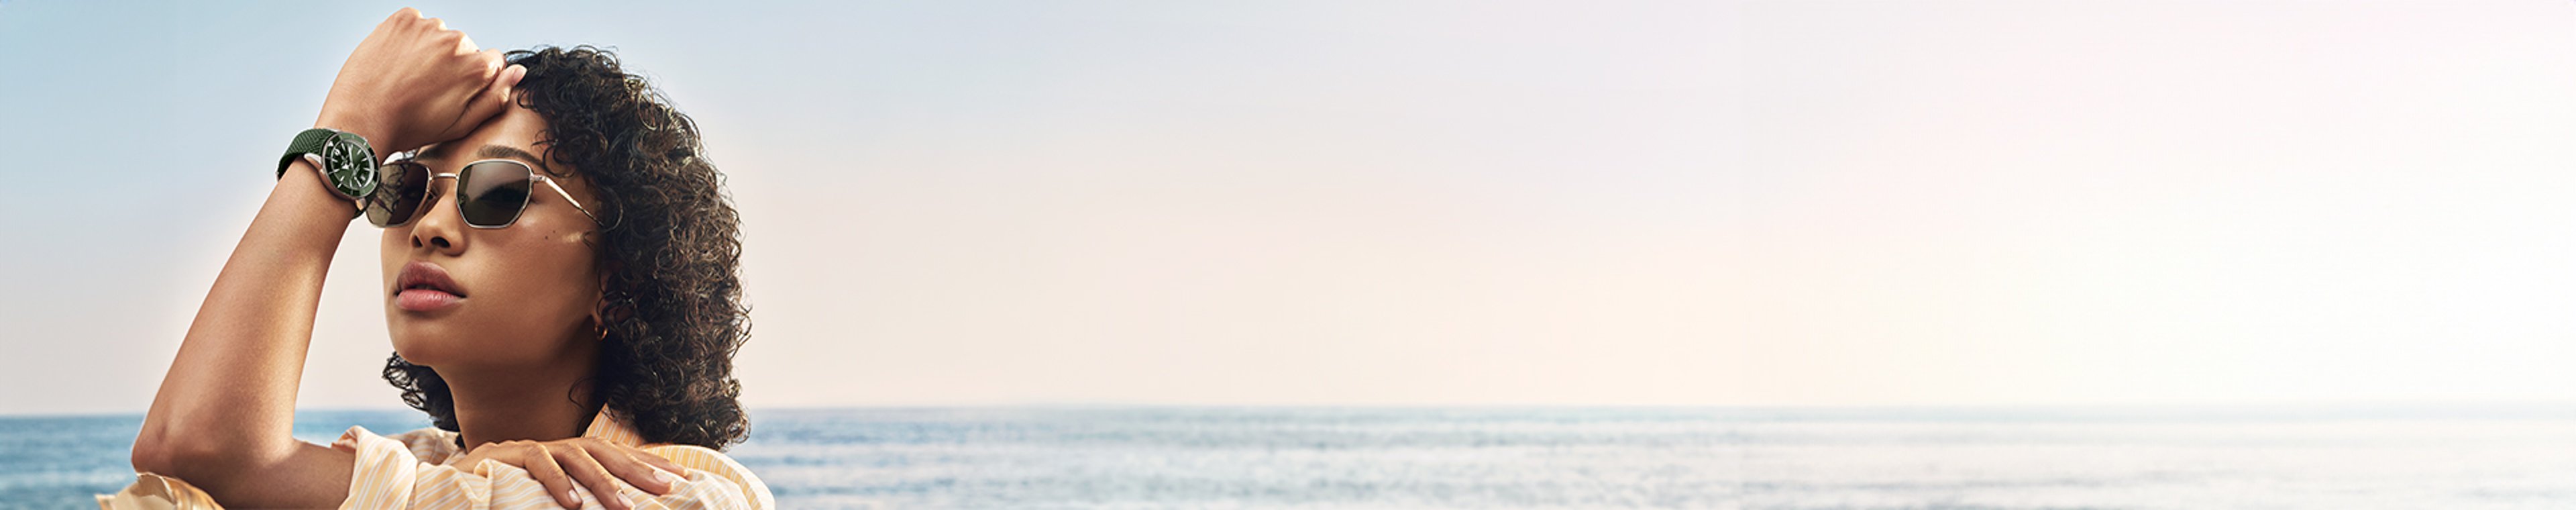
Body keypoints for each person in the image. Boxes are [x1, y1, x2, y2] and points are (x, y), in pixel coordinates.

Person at [123, 8, 771, 509]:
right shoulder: (426, 466)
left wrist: (350, 125)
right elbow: (181, 459)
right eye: (404, 189)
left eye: (497, 191)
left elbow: (204, 444)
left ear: (617, 281)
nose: (430, 226)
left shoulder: (676, 492)